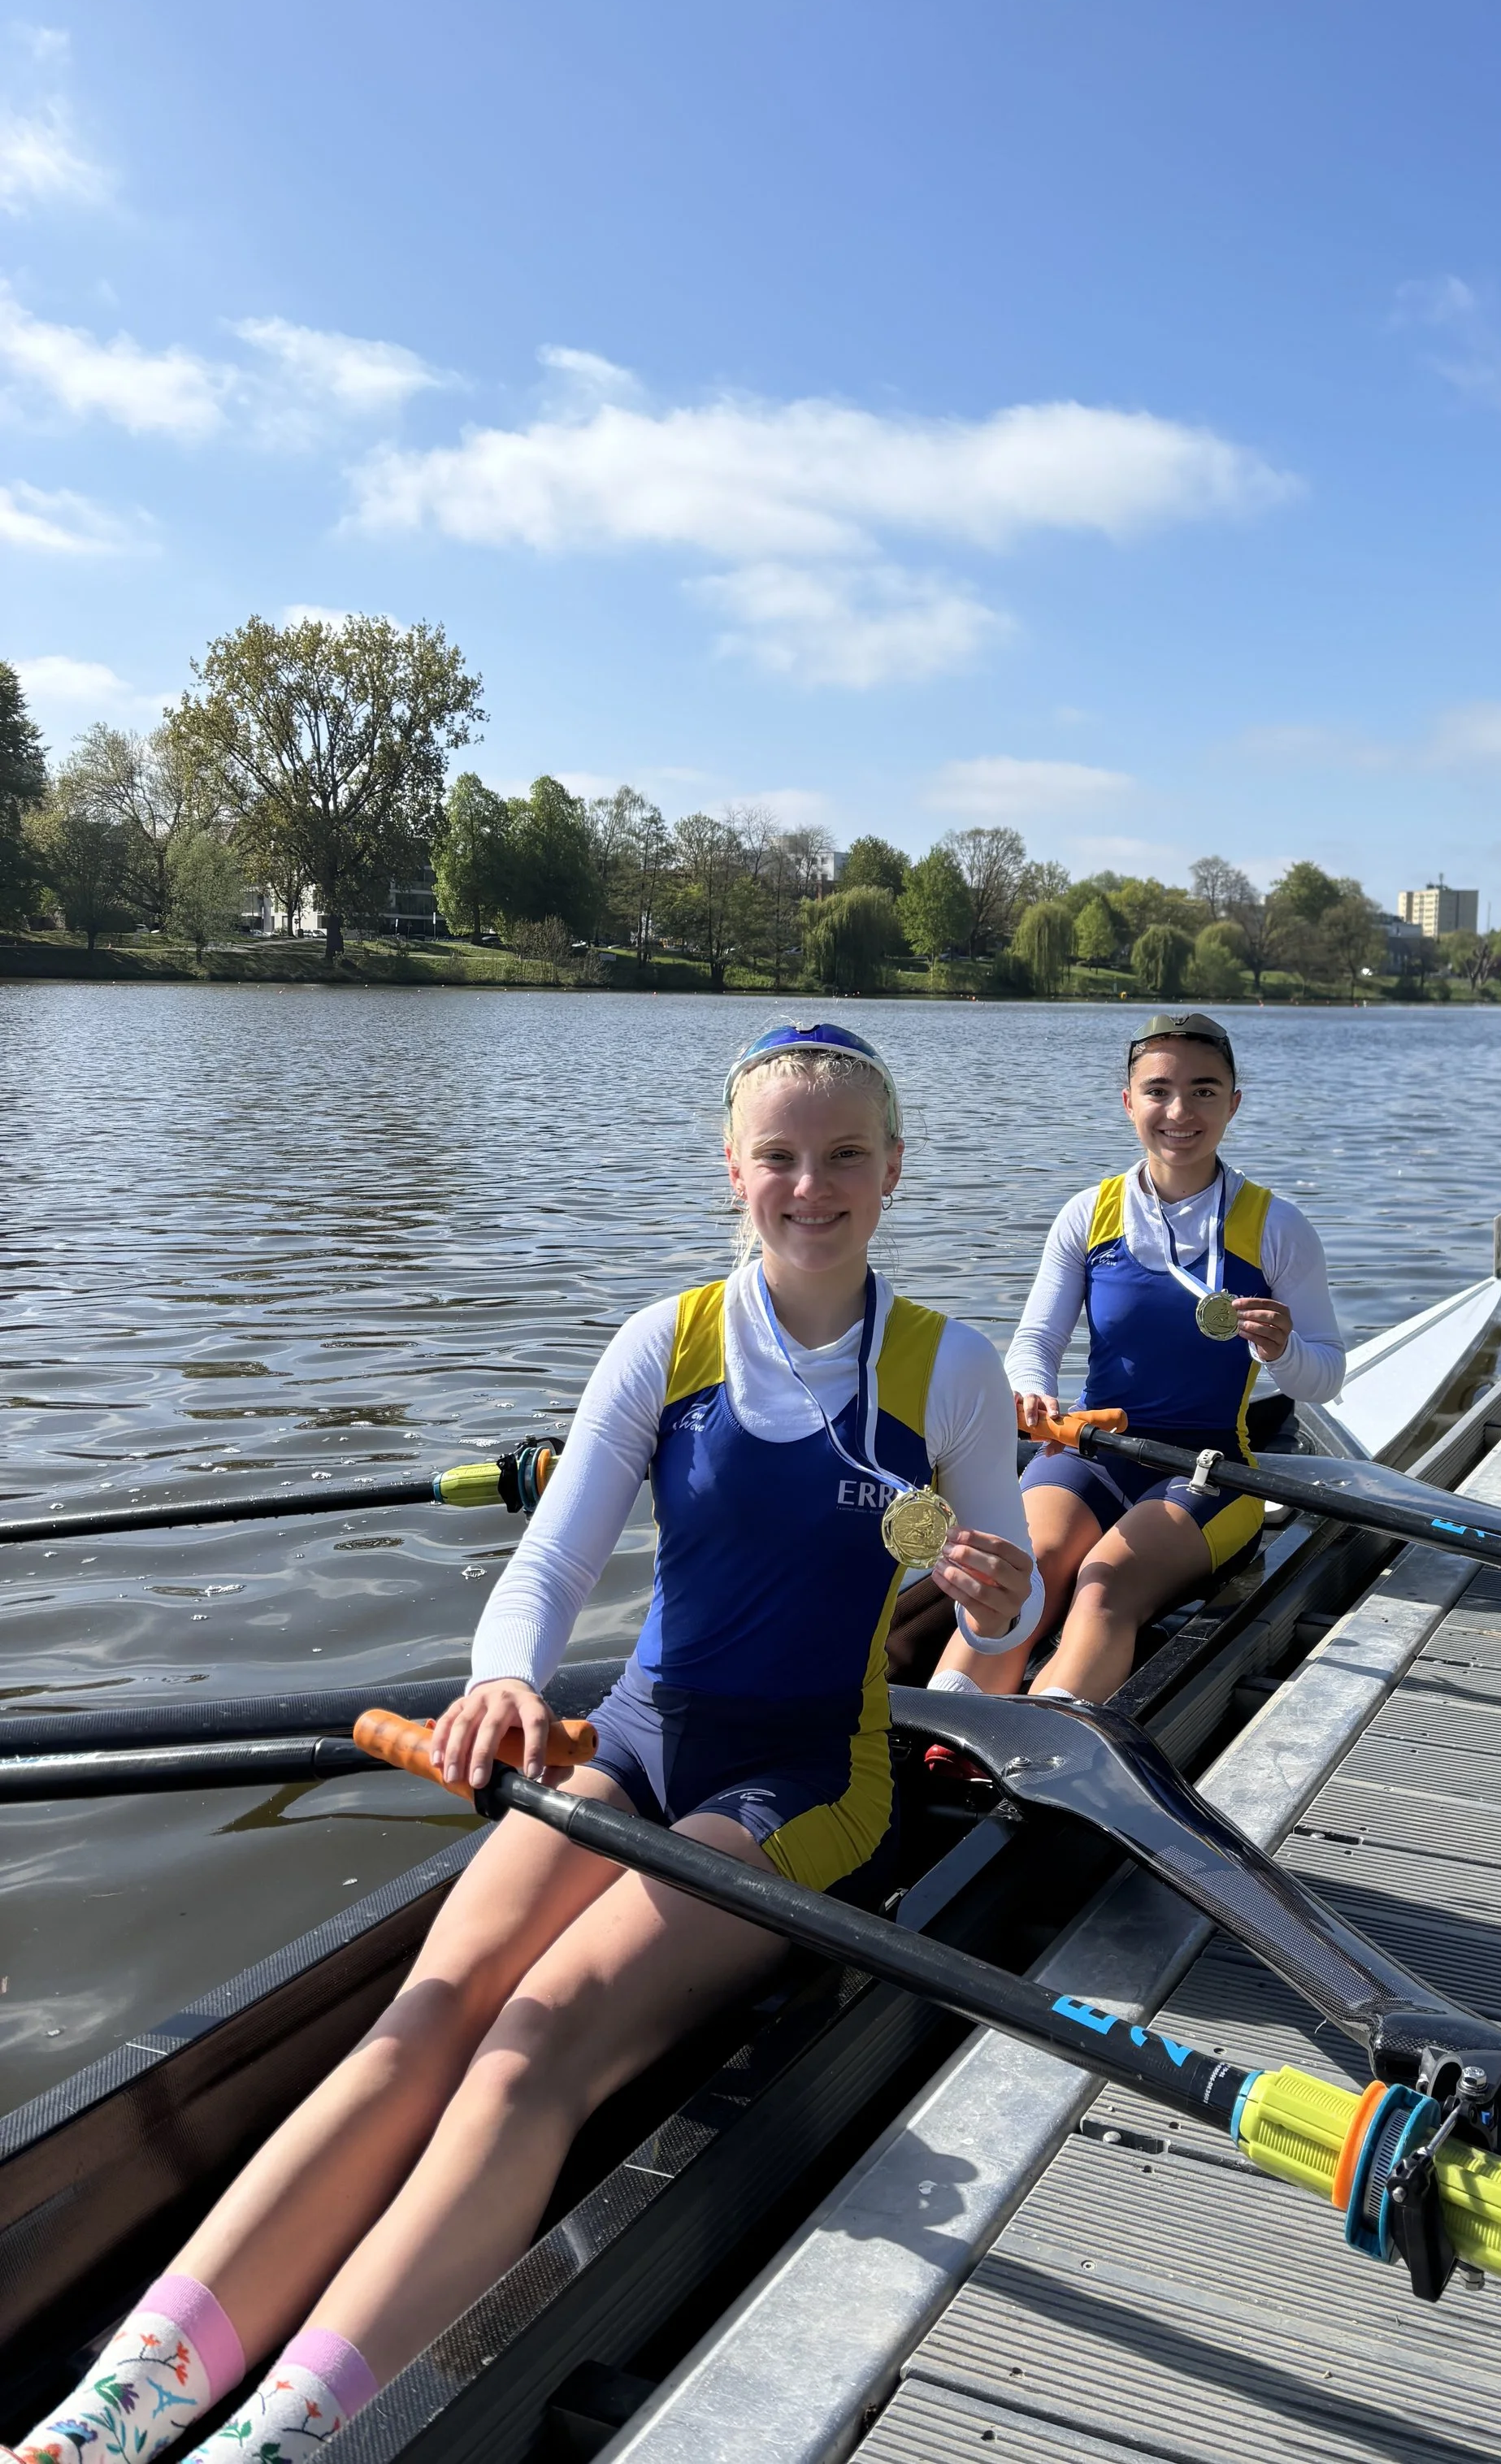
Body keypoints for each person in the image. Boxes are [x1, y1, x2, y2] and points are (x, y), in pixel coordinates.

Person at [11, 1024, 1039, 2464]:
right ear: (734, 1170)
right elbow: (555, 1564)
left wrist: (1004, 1595)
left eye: (846, 1156)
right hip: (632, 1735)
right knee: (423, 2018)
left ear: (894, 1171)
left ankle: (284, 2434)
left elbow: (1014, 1584)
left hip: (807, 1778)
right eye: (782, 1157)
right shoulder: (664, 1342)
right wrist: (502, 1682)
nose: (813, 1185)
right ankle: (111, 2414)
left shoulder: (953, 1367)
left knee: (529, 2042)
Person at [930, 1010, 1347, 1711]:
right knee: (1019, 1569)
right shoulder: (1088, 1216)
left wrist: (1283, 1350)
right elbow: (1035, 1341)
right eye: (1158, 1091)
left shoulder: (1277, 1227)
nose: (1180, 1111)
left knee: (1104, 1583)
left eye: (1205, 1091)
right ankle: (942, 1726)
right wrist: (1031, 1388)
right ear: (1129, 1102)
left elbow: (1326, 1377)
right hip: (1095, 1445)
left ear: (1234, 1104)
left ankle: (1039, 1751)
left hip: (1212, 1470)